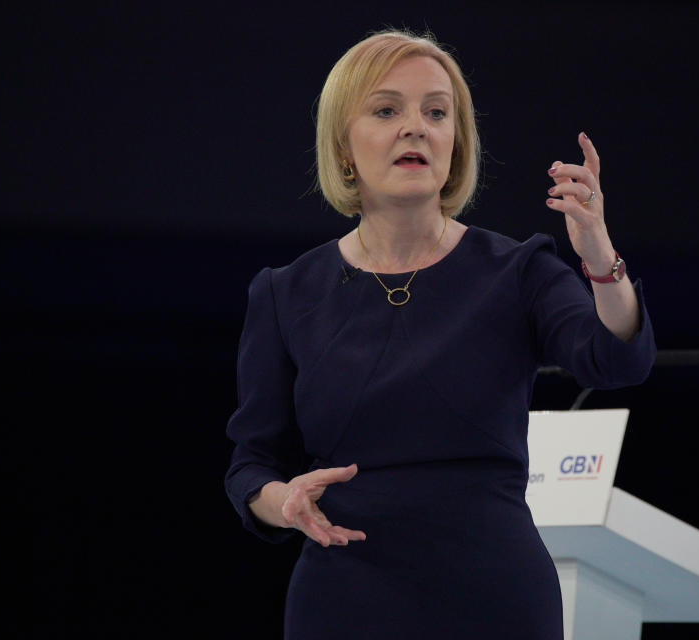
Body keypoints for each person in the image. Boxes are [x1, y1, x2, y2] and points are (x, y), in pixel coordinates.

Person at [224, 27, 655, 640]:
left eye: (436, 112)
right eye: (386, 110)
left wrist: (598, 254)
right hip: (344, 597)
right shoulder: (285, 292)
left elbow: (616, 361)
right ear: (344, 145)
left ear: (457, 141)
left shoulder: (519, 270)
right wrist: (282, 501)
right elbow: (251, 464)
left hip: (495, 599)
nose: (415, 127)